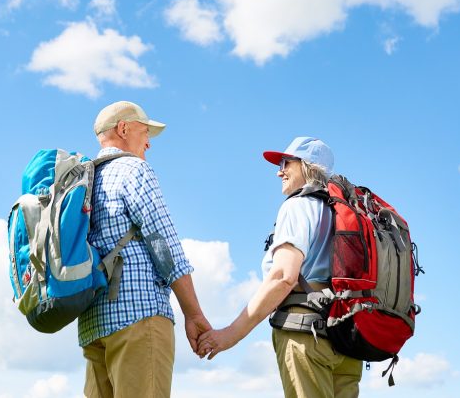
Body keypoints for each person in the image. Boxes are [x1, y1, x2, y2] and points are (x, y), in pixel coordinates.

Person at [197, 136, 363, 398]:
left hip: (307, 334)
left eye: (287, 162)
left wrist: (231, 334)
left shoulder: (299, 206)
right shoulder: (347, 214)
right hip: (347, 339)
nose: (279, 171)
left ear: (307, 166)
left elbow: (283, 277)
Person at [79, 100, 210, 398]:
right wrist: (193, 313)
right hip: (139, 317)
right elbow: (164, 244)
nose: (149, 143)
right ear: (123, 128)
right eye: (145, 132)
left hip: (92, 324)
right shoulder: (133, 169)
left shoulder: (84, 179)